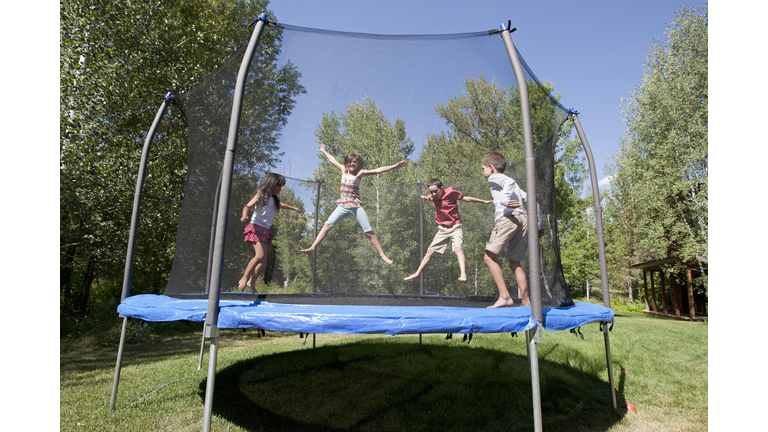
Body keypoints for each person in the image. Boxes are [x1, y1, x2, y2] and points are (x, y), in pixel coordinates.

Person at [300, 144, 407, 263]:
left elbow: (378, 170)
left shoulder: (360, 174)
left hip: (355, 206)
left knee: (368, 231)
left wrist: (395, 166)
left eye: (355, 162)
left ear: (358, 164)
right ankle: (312, 247)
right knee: (327, 226)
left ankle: (382, 255)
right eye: (350, 162)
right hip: (342, 206)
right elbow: (332, 160)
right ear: (346, 163)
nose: (352, 164)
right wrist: (324, 151)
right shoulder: (342, 170)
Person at [481, 152, 542, 308]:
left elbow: (509, 182)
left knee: (489, 257)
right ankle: (526, 301)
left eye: (483, 169)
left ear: (491, 167)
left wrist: (504, 200)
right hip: (524, 219)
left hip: (508, 218)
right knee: (515, 262)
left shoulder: (495, 177)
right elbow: (529, 198)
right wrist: (539, 224)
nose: (483, 174)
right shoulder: (515, 186)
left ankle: (505, 296)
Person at [404, 178, 491, 282]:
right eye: (431, 192)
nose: (433, 194)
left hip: (455, 227)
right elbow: (429, 198)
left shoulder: (450, 193)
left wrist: (483, 201)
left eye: (435, 191)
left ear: (442, 188)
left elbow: (466, 199)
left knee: (458, 249)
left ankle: (463, 274)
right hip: (443, 229)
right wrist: (424, 197)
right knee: (430, 251)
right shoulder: (432, 197)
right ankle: (417, 273)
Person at [238, 173, 302, 294]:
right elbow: (247, 206)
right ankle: (244, 277)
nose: (280, 189)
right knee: (260, 256)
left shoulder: (273, 199)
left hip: (266, 230)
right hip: (256, 227)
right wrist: (244, 215)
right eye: (279, 186)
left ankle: (251, 281)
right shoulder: (260, 195)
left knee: (266, 259)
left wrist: (294, 208)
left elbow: (280, 205)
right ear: (271, 184)